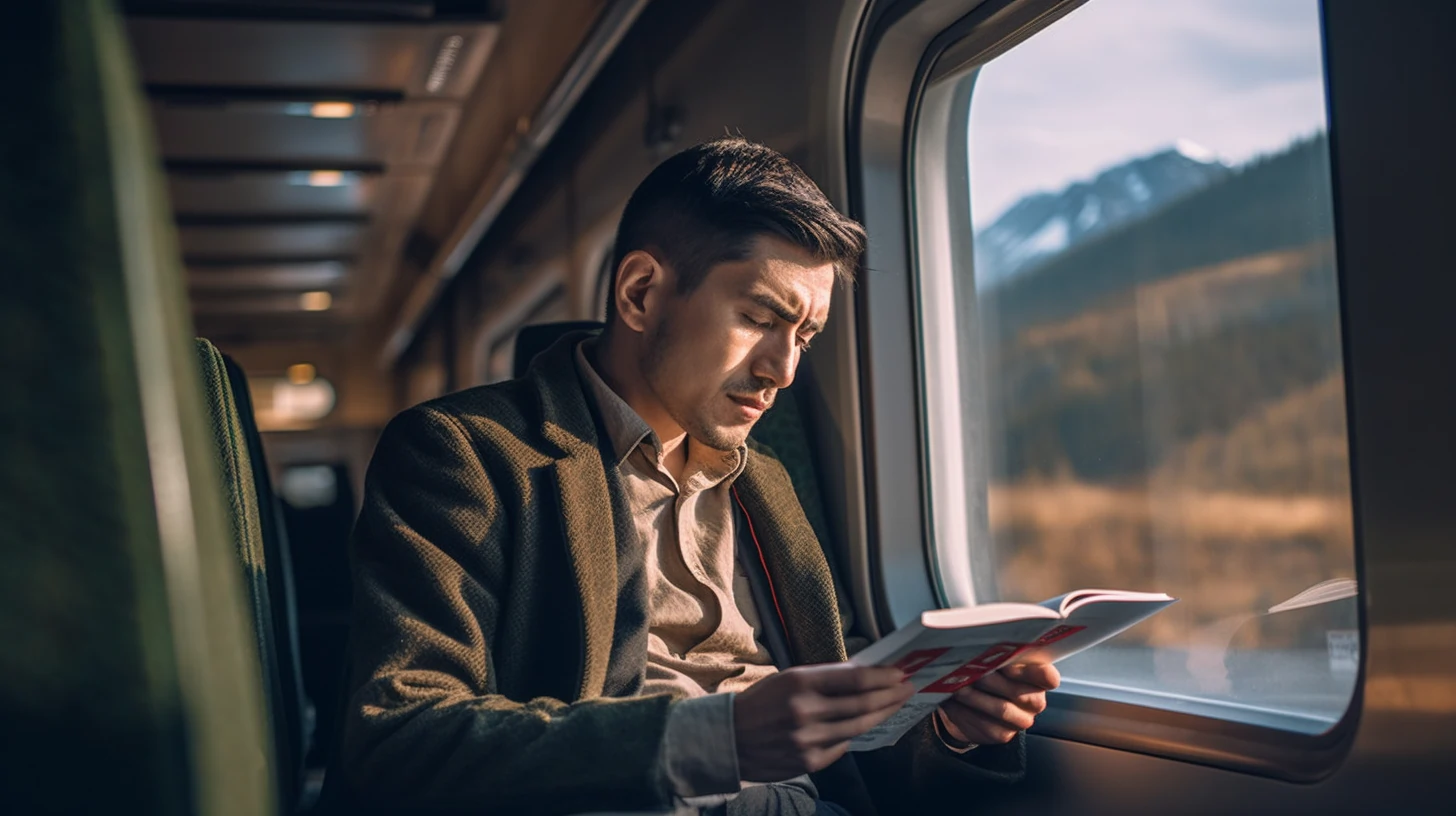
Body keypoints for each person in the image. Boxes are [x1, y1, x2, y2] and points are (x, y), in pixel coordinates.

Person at [323, 138, 1059, 815]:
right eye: (759, 317)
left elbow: (844, 740)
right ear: (640, 292)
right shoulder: (466, 453)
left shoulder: (764, 484)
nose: (783, 370)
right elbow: (399, 736)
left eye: (804, 335)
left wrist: (951, 727)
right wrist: (715, 738)